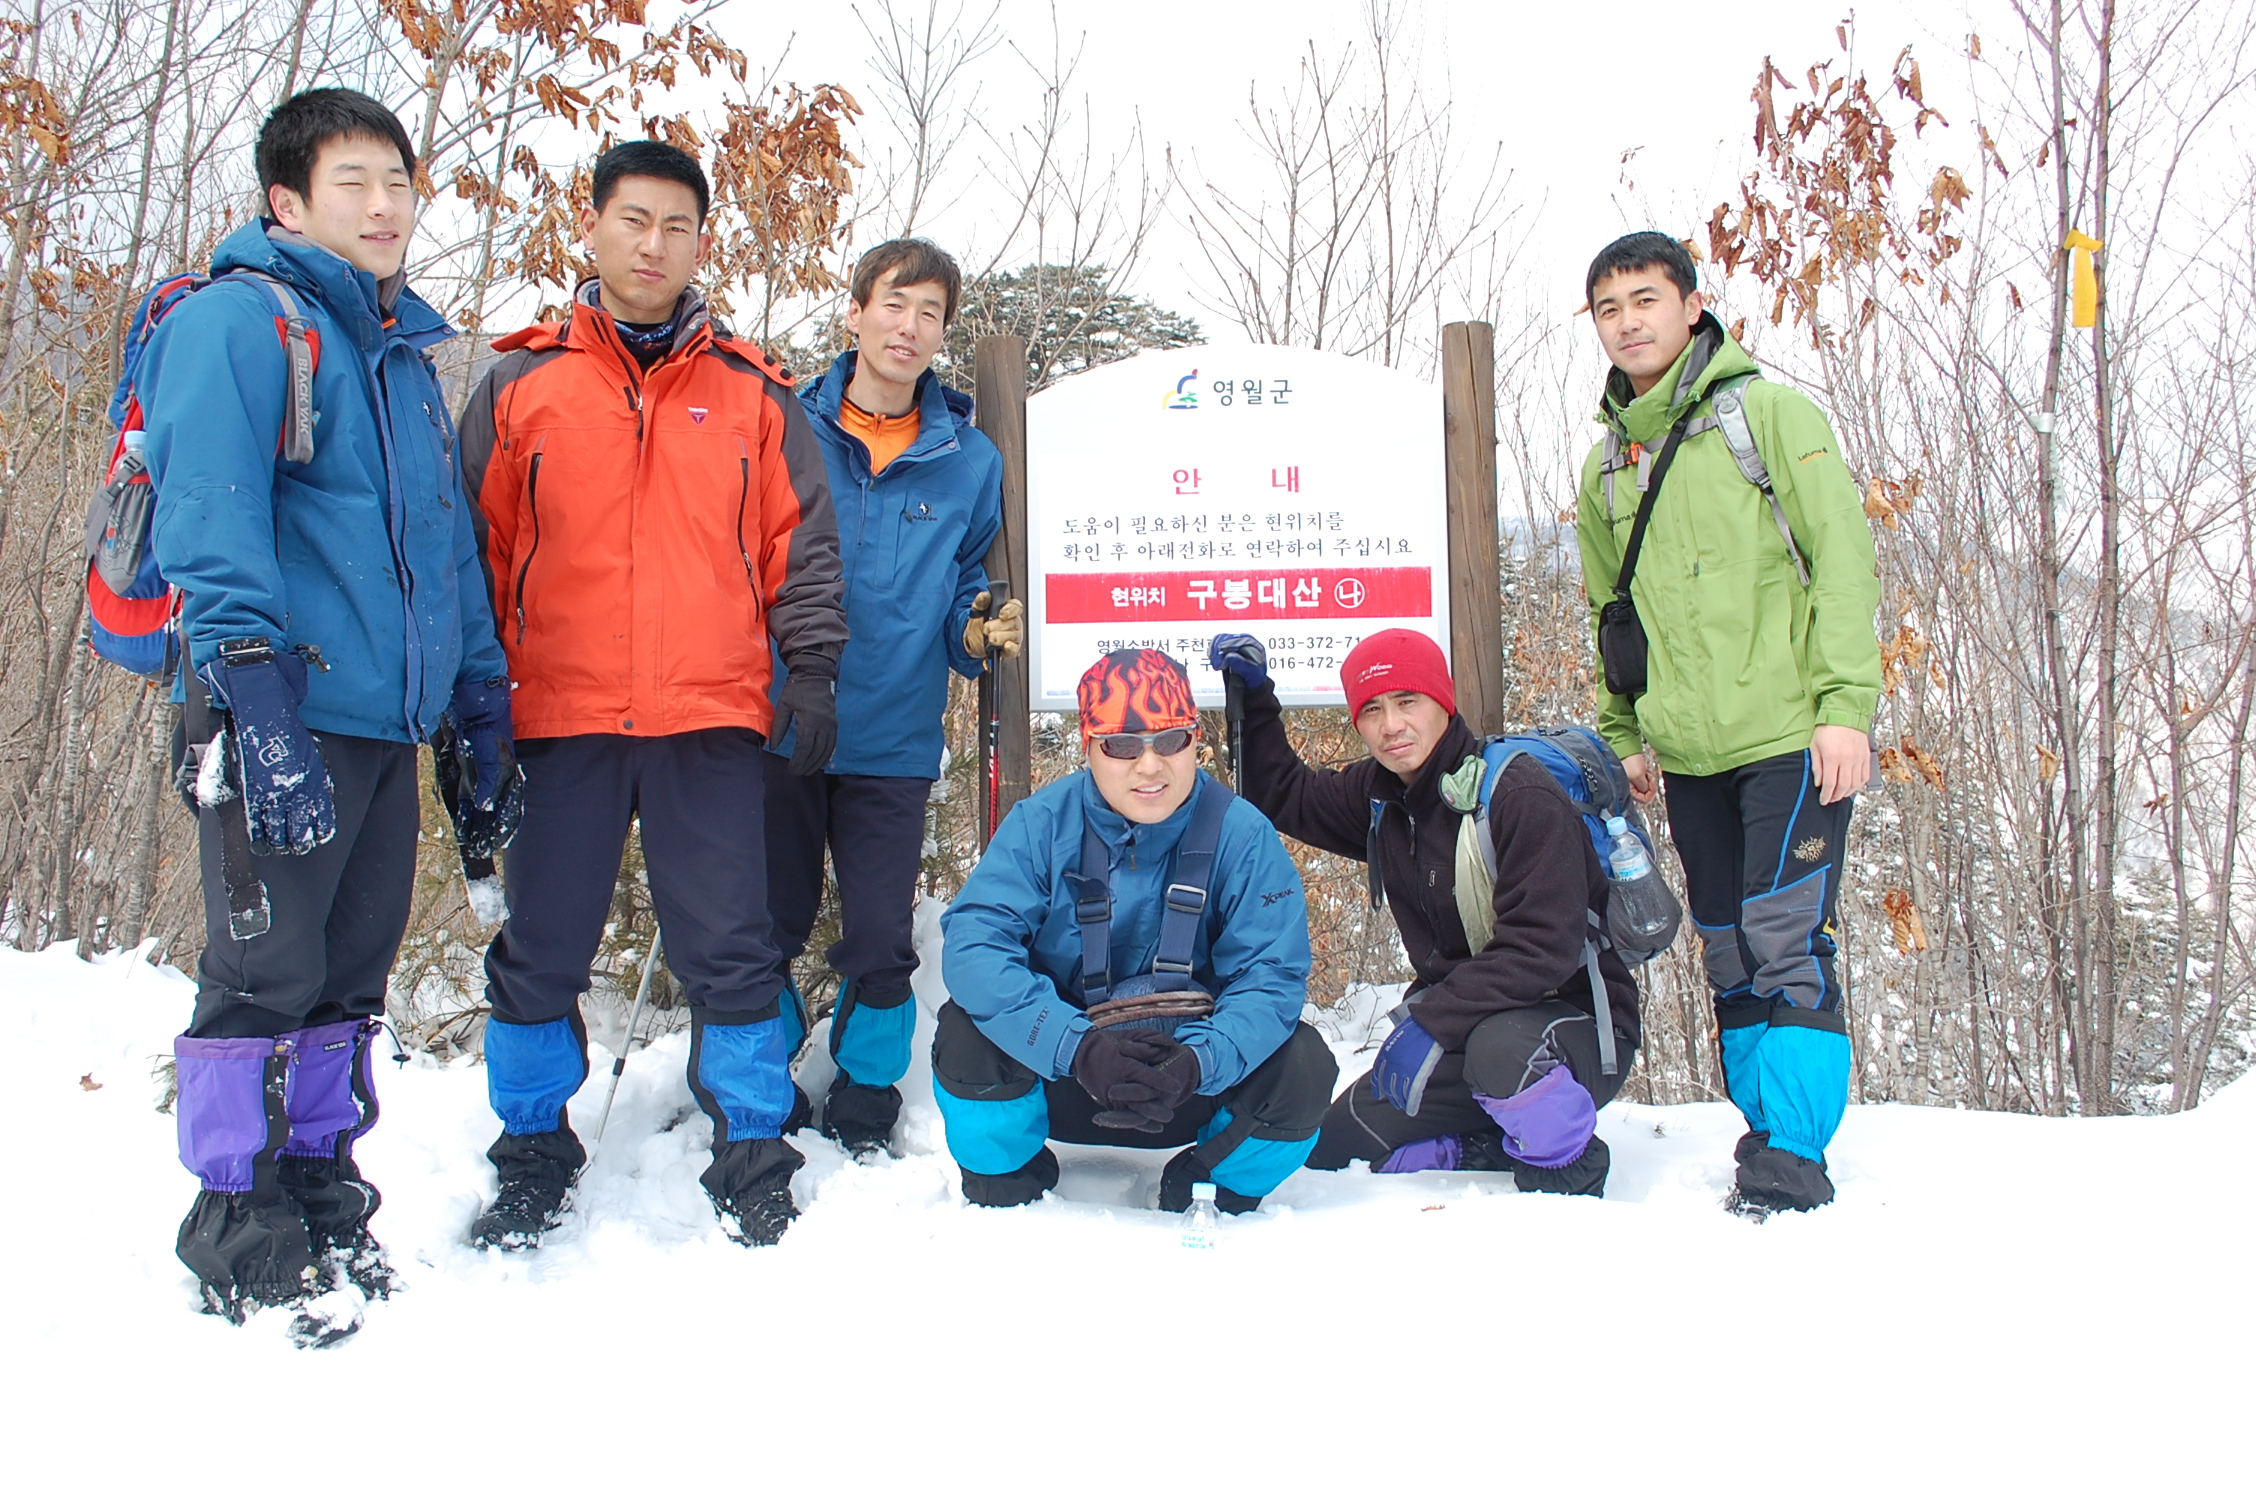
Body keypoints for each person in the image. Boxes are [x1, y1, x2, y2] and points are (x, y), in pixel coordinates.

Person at [144, 88, 515, 1323]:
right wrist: (252, 698)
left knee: (350, 973)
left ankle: (315, 1183)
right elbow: (209, 511)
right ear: (287, 202)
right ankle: (232, 1209)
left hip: (382, 722)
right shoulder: (239, 323)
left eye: (398, 183)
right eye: (352, 181)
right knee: (263, 970)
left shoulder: (401, 359)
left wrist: (477, 697)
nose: (383, 204)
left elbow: (445, 549)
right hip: (274, 709)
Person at [456, 141, 848, 1248]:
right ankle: (531, 1151)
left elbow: (801, 550)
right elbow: (471, 554)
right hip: (557, 717)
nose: (653, 244)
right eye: (633, 219)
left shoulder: (752, 393)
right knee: (541, 947)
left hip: (707, 720)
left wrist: (811, 671)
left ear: (701, 243)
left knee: (731, 947)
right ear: (591, 227)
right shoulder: (521, 386)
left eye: (677, 226)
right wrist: (471, 699)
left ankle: (753, 1150)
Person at [1573, 230, 1881, 1213]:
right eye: (1609, 307)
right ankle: (1765, 1125)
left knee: (1784, 935)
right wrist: (1625, 731)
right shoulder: (1607, 468)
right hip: (1690, 753)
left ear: (1692, 306)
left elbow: (1842, 562)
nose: (1629, 321)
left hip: (1791, 735)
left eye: (1646, 299)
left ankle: (1793, 1150)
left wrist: (1845, 709)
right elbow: (1610, 614)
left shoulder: (1769, 417)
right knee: (1726, 945)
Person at [1214, 629, 1638, 1196]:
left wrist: (1432, 1021)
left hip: (1571, 1026)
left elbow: (1542, 948)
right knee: (1341, 1144)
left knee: (1502, 1052)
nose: (1391, 725)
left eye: (1407, 701)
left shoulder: (1516, 793)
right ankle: (1485, 1145)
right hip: (1466, 1025)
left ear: (1443, 700)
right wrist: (1254, 699)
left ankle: (1568, 1169)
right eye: (1371, 709)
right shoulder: (1383, 794)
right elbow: (1284, 795)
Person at [769, 238, 1017, 1158]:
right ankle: (760, 1082)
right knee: (766, 925)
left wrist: (973, 629)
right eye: (894, 304)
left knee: (881, 937)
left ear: (944, 332)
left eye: (930, 313)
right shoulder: (785, 428)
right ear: (856, 311)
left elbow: (965, 583)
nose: (909, 327)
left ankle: (868, 1091)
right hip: (779, 723)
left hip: (893, 735)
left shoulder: (968, 461)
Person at [934, 649, 1335, 1212]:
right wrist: (1075, 1047)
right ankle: (1008, 1184)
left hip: (1190, 1084)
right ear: (1087, 747)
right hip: (1067, 1072)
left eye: (1170, 740)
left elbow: (1271, 977)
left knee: (1302, 1065)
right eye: (1121, 745)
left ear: (1196, 741)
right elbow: (976, 947)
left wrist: (1199, 1061)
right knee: (966, 1034)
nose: (1150, 766)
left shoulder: (1244, 837)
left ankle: (1212, 1186)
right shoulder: (1040, 825)